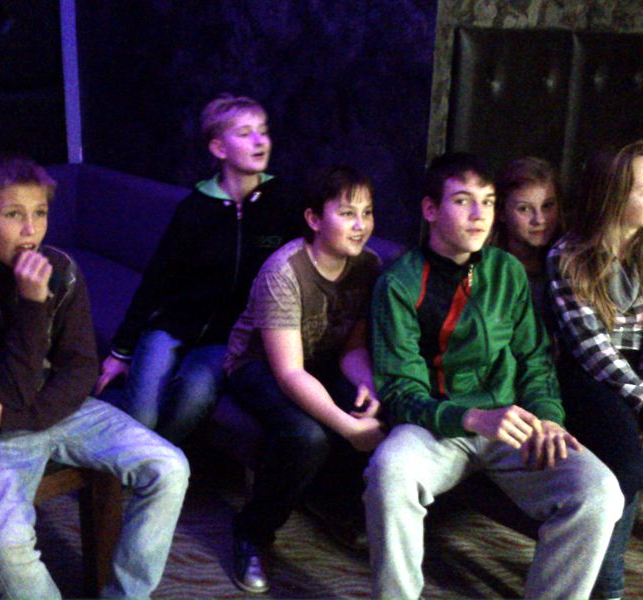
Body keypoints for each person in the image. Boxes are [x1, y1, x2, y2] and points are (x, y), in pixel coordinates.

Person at [0, 153, 189, 600]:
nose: (31, 230)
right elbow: (7, 392)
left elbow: (81, 367)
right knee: (6, 542)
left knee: (170, 467)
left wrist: (22, 416)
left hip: (52, 410)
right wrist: (32, 303)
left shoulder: (62, 270)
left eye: (40, 213)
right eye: (13, 214)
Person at [365, 152, 623, 599]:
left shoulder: (506, 271)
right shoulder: (399, 284)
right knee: (389, 471)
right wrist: (469, 417)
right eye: (463, 201)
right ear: (430, 209)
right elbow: (400, 391)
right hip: (437, 426)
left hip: (512, 425)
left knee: (600, 491)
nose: (479, 214)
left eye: (486, 201)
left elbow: (535, 360)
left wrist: (549, 418)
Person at [95, 93, 303, 444]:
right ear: (219, 148)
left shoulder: (283, 202)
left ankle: (155, 465)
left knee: (194, 396)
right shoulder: (193, 210)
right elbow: (156, 281)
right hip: (173, 324)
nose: (259, 141)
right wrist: (120, 352)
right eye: (245, 133)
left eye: (263, 131)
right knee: (141, 414)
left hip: (228, 337)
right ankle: (107, 435)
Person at [223, 165, 386, 593]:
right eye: (347, 213)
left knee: (372, 402)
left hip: (321, 360)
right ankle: (252, 532)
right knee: (307, 434)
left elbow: (352, 347)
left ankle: (330, 502)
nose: (361, 225)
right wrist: (347, 427)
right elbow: (289, 371)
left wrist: (367, 383)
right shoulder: (284, 271)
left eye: (367, 213)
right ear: (314, 219)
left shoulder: (369, 265)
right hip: (256, 365)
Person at [548, 140, 643, 600]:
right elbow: (592, 350)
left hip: (634, 374)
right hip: (587, 378)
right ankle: (606, 584)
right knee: (625, 455)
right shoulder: (569, 256)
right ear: (613, 196)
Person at [493, 156, 563, 330]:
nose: (539, 219)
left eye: (547, 206)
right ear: (501, 212)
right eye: (524, 208)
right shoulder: (487, 269)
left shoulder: (568, 264)